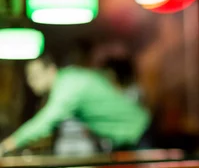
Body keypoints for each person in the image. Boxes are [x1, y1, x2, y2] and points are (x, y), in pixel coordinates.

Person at [0, 53, 152, 157]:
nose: (31, 82)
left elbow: (45, 122)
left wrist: (7, 145)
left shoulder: (67, 87)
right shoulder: (69, 78)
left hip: (139, 134)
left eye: (35, 76)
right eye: (29, 78)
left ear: (51, 70)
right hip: (130, 135)